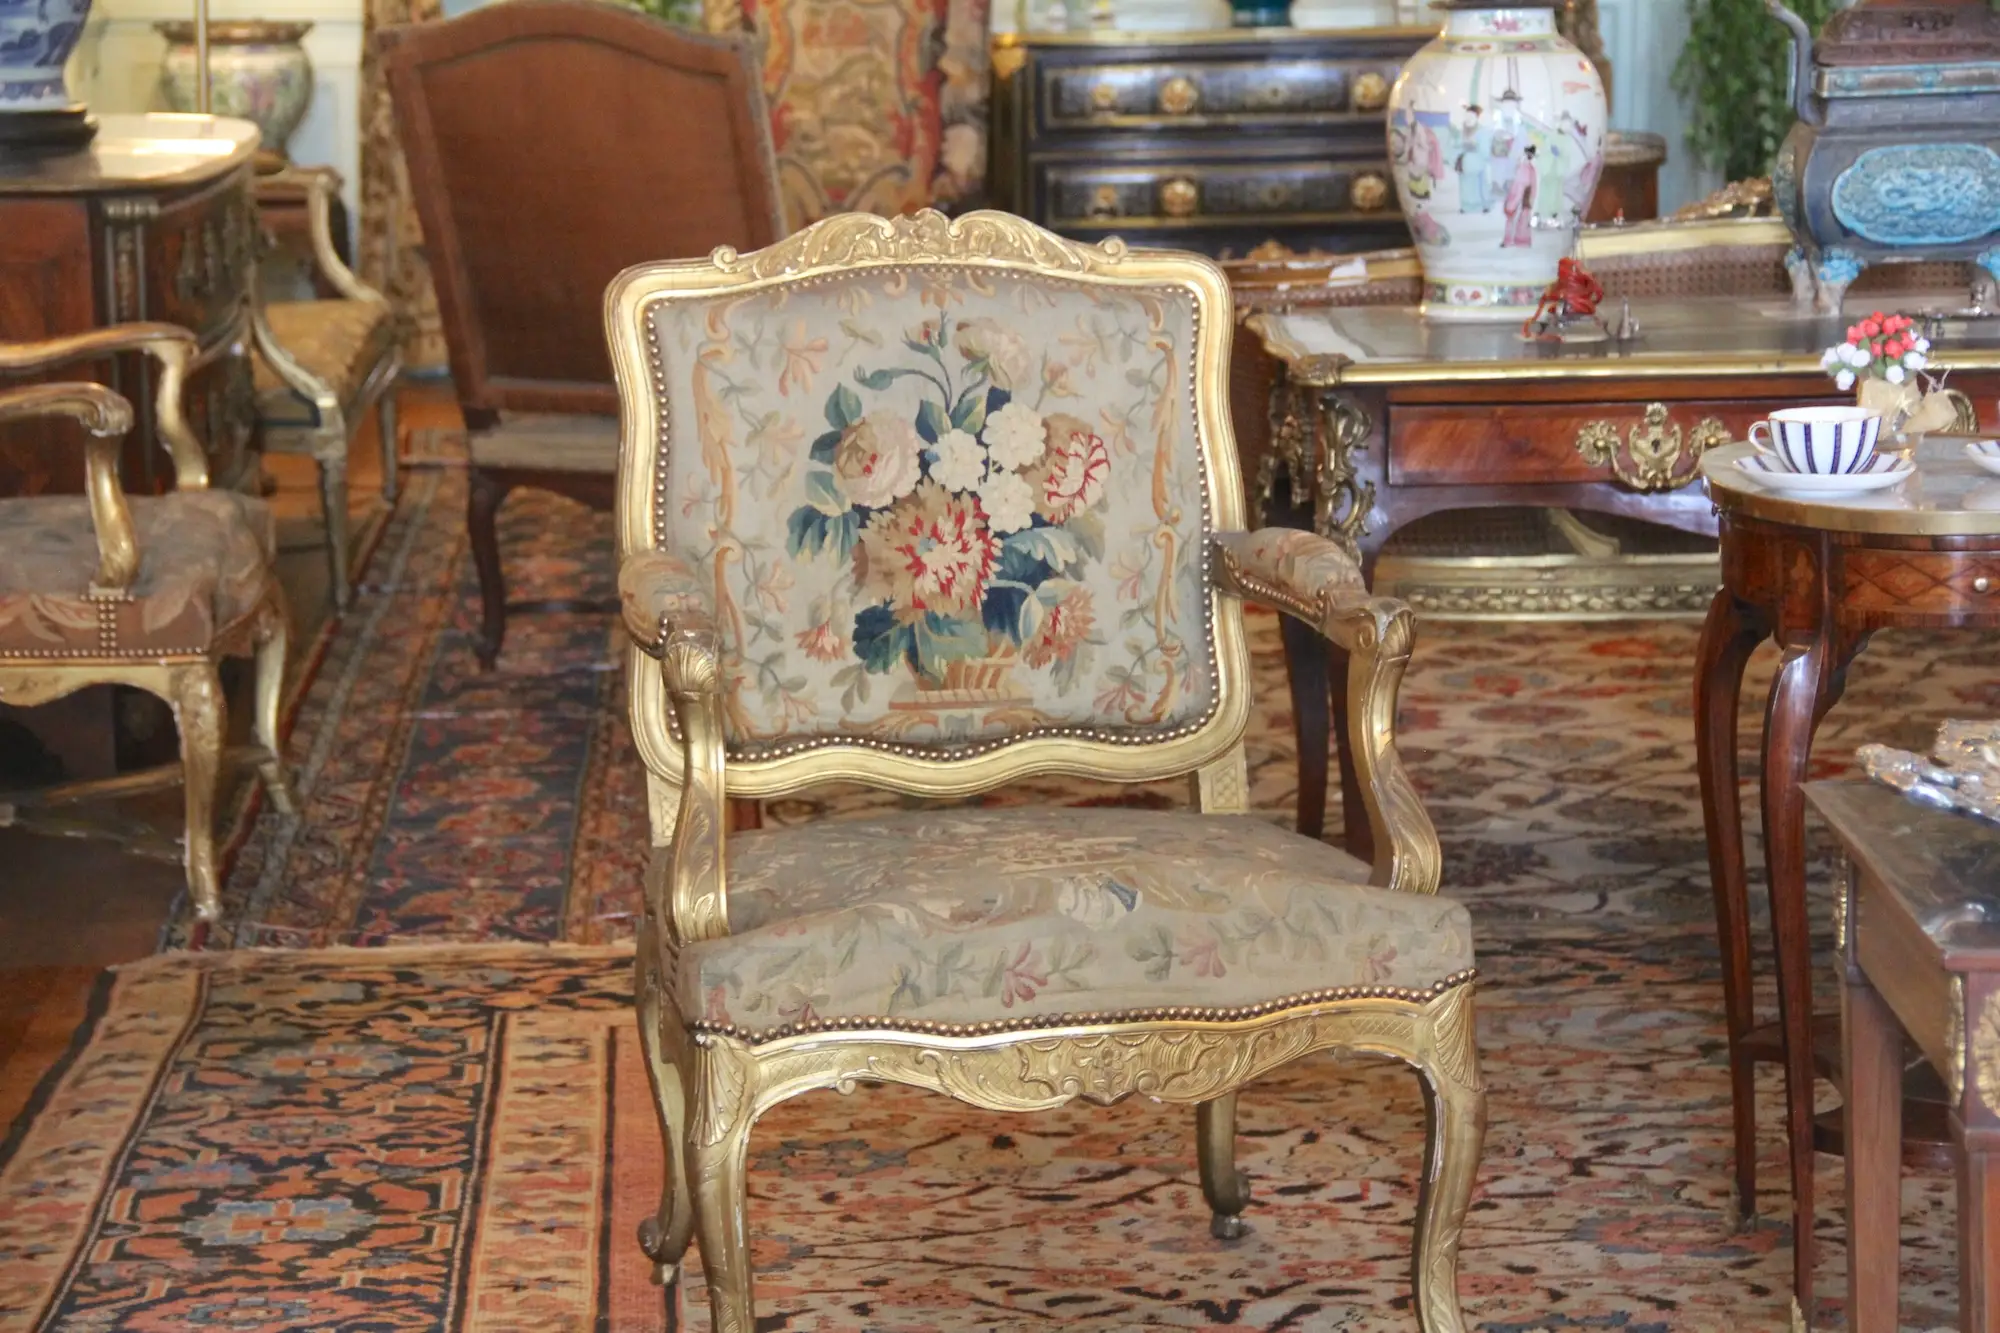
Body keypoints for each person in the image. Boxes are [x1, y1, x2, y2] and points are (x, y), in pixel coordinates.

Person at [1502, 143, 1538, 248]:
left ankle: (1515, 240)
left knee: (1518, 218)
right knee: (1517, 218)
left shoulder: (1528, 167)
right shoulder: (1525, 167)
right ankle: (1514, 240)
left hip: (1522, 195)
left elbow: (1528, 184)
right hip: (1521, 195)